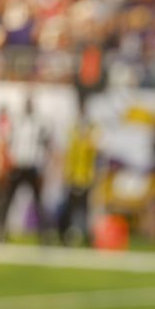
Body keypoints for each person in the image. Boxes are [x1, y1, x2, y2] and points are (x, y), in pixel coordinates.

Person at [0, 95, 51, 243]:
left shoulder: (40, 123)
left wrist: (42, 167)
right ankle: (0, 231)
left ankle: (43, 235)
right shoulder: (16, 122)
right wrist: (8, 164)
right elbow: (7, 143)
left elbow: (45, 146)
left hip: (32, 166)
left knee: (38, 201)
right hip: (17, 166)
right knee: (7, 199)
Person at [58, 98, 98, 246]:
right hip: (73, 176)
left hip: (86, 176)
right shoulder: (73, 129)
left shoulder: (92, 129)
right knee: (70, 208)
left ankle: (87, 237)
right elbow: (68, 153)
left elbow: (95, 150)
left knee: (86, 210)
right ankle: (66, 235)